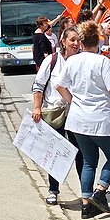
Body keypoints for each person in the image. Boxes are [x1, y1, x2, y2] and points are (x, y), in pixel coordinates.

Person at [56, 21, 110, 219]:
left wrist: (73, 101)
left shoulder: (72, 61)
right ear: (97, 40)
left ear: (81, 41)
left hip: (77, 120)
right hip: (99, 119)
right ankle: (100, 192)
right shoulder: (102, 61)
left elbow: (60, 86)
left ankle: (86, 204)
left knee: (89, 161)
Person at [31, 26, 84, 205]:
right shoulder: (52, 61)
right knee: (56, 152)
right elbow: (38, 85)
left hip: (77, 113)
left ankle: (87, 192)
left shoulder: (83, 60)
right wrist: (37, 108)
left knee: (81, 153)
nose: (76, 44)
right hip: (55, 114)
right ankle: (53, 190)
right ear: (63, 41)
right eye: (72, 40)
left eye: (78, 40)